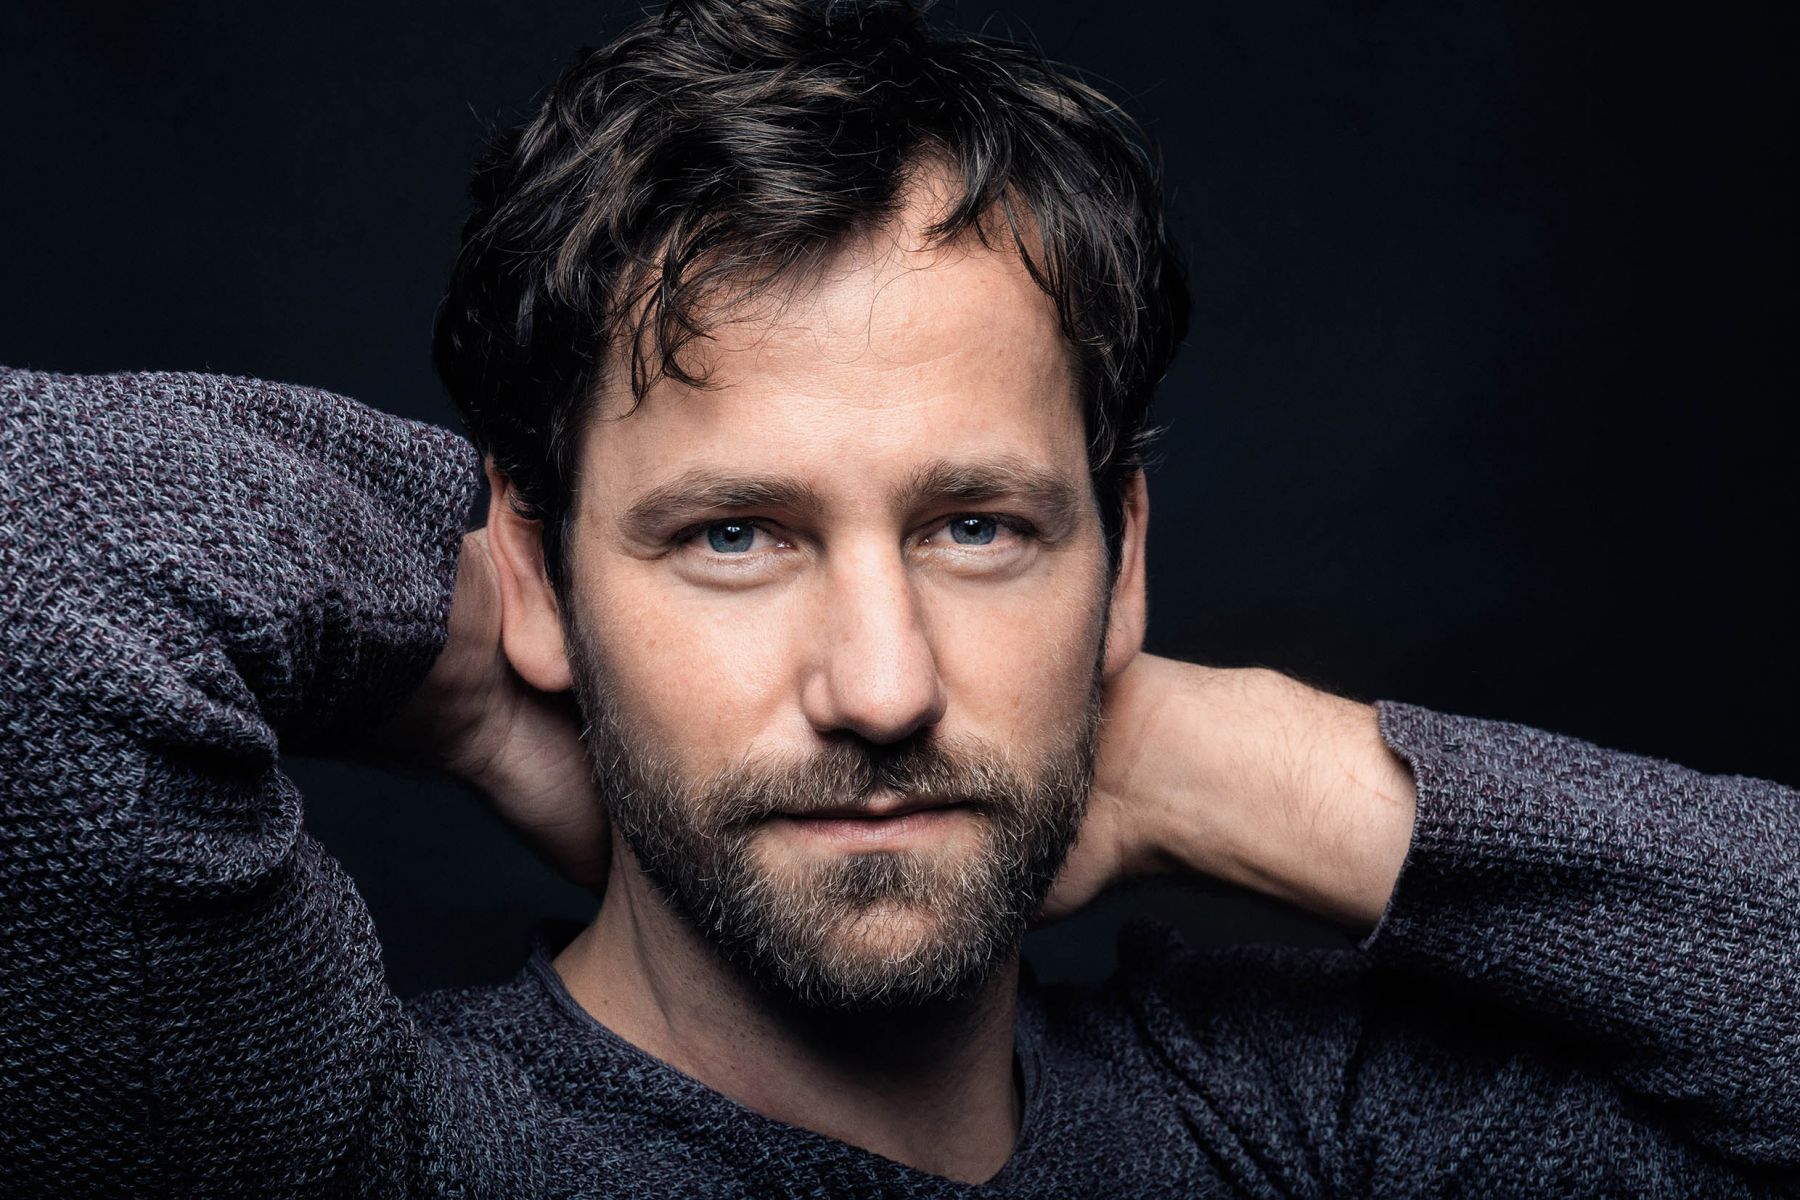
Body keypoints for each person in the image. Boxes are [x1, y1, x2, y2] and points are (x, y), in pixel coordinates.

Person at [1, 0, 1794, 1194]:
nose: (882, 687)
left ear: (1122, 564)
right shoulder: (357, 1148)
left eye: (978, 529)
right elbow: (44, 535)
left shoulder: (1298, 1135)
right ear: (539, 571)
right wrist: (474, 675)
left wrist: (1217, 766)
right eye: (734, 536)